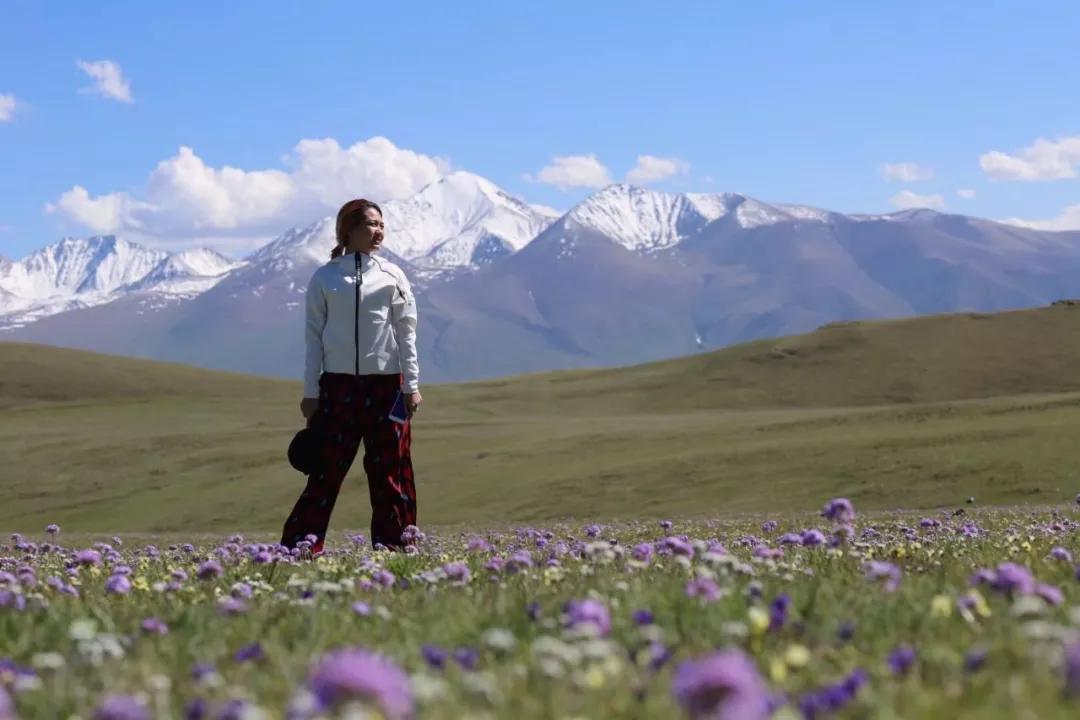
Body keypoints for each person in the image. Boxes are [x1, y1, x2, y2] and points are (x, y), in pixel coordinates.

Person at [280, 198, 422, 555]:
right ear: (349, 231)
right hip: (338, 387)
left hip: (388, 385)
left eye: (381, 224)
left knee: (392, 471)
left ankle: (398, 547)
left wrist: (413, 386)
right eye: (371, 224)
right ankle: (300, 549)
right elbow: (313, 337)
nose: (379, 231)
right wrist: (311, 391)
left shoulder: (393, 275)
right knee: (325, 470)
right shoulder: (325, 277)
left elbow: (407, 331)